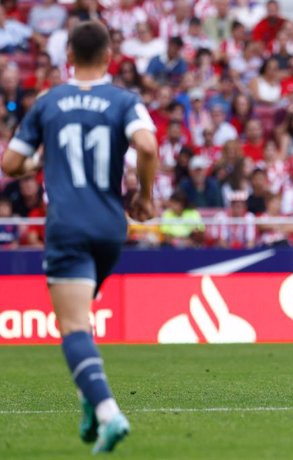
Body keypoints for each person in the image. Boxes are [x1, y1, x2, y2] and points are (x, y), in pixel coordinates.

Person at [0, 20, 158, 453]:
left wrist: (40, 164)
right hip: (110, 227)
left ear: (67, 56)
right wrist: (144, 197)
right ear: (110, 56)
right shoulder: (124, 100)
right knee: (83, 317)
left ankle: (108, 411)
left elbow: (11, 163)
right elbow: (146, 146)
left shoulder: (49, 102)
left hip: (68, 225)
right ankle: (87, 400)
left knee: (71, 326)